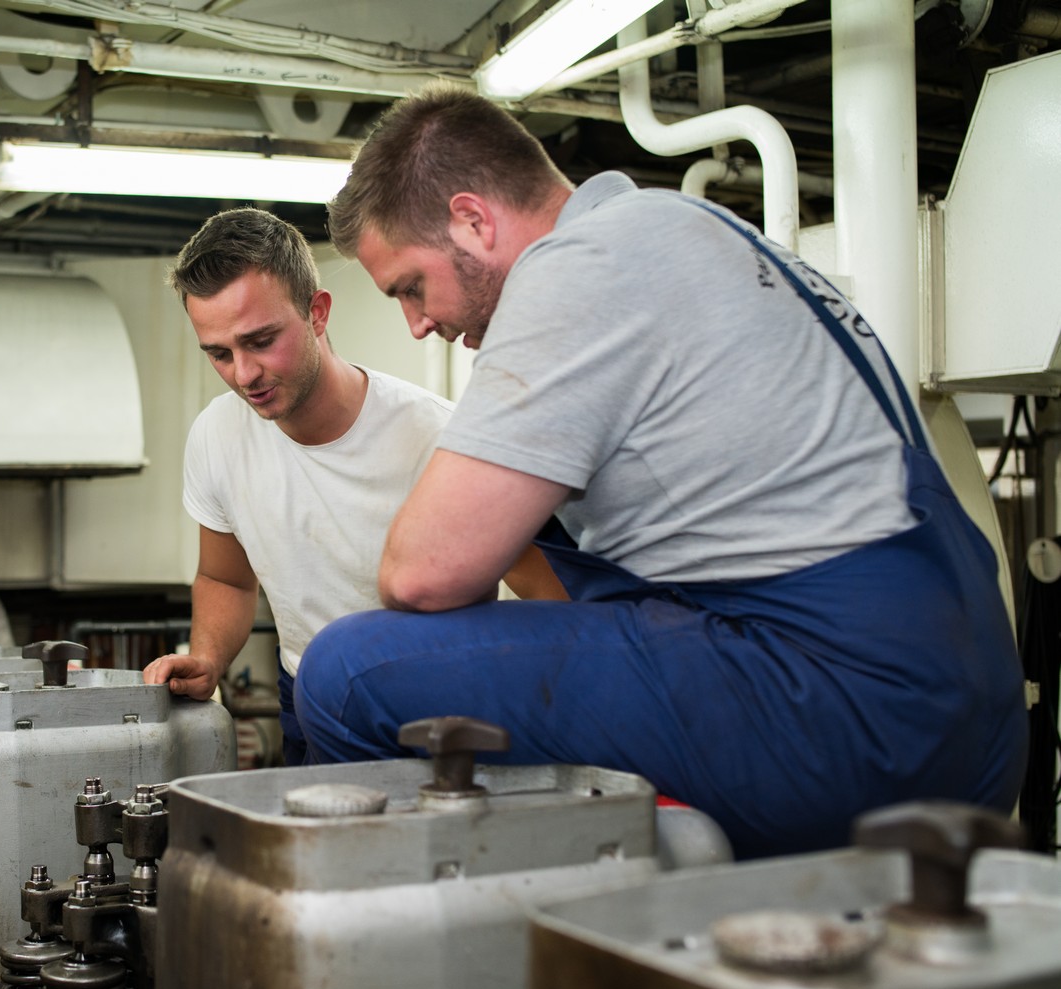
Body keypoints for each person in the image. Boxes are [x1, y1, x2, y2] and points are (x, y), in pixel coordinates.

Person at [298, 85, 1026, 858]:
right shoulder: (687, 228)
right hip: (971, 706)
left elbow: (422, 574)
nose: (417, 322)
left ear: (473, 221)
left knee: (346, 672)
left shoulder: (575, 269)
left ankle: (459, 948)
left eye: (411, 285)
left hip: (845, 711)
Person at [140, 207, 467, 765]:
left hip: (432, 702)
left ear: (317, 312)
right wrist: (208, 659)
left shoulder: (436, 436)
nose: (244, 375)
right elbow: (225, 578)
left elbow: (544, 597)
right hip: (306, 694)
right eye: (220, 353)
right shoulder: (217, 436)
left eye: (261, 341)